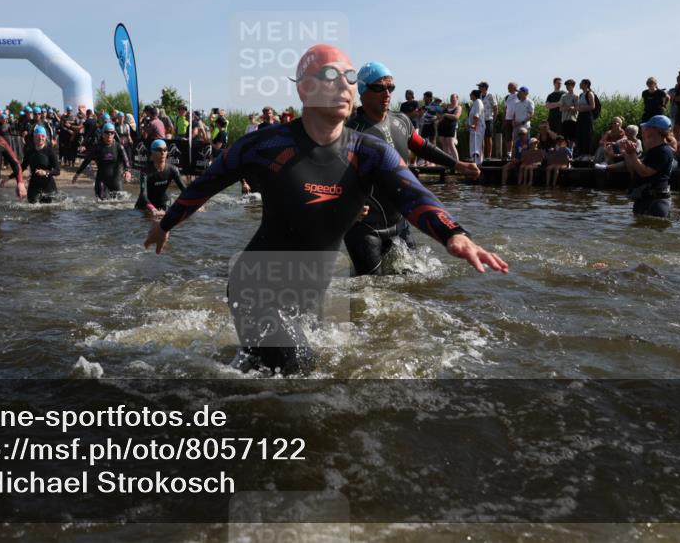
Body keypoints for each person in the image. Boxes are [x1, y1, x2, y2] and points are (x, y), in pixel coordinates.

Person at [144, 44, 507, 375]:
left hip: (311, 293)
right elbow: (205, 185)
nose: (345, 85)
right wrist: (167, 224)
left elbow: (413, 195)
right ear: (304, 88)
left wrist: (454, 234)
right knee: (303, 372)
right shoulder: (265, 145)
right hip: (255, 285)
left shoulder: (370, 151)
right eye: (331, 76)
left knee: (277, 370)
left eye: (350, 77)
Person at [345, 62, 481, 276]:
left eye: (391, 87)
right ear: (362, 91)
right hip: (364, 228)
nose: (387, 93)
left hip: (400, 222)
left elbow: (422, 147)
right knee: (369, 291)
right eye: (379, 87)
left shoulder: (401, 122)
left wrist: (457, 164)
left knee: (418, 280)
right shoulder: (349, 130)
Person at [621, 115, 676, 218]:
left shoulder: (664, 151)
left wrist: (633, 154)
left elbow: (645, 172)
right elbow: (634, 171)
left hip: (656, 203)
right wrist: (627, 153)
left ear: (655, 130)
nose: (645, 129)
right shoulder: (652, 150)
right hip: (644, 198)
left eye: (648, 127)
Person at [73, 122, 132, 199]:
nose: (109, 135)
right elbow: (87, 160)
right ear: (103, 134)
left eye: (112, 133)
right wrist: (77, 173)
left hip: (116, 180)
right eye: (107, 133)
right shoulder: (97, 147)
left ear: (114, 134)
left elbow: (126, 160)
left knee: (120, 204)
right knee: (101, 204)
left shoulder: (119, 147)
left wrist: (127, 171)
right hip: (102, 181)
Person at [136, 139, 186, 218]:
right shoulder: (145, 172)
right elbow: (143, 195)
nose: (162, 153)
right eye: (159, 150)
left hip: (163, 203)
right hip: (146, 205)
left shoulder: (173, 169)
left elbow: (185, 190)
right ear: (152, 152)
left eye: (165, 150)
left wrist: (195, 205)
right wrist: (152, 209)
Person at [20, 125, 61, 203]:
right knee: (32, 209)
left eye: (43, 136)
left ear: (45, 137)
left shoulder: (50, 152)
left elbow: (57, 171)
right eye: (38, 136)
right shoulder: (29, 152)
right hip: (34, 185)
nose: (40, 138)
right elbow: (22, 167)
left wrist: (45, 172)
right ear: (34, 137)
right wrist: (9, 177)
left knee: (49, 210)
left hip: (48, 186)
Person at [437, 93, 461, 161]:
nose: (452, 100)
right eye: (451, 98)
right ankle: (447, 162)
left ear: (457, 99)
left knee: (451, 144)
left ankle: (457, 162)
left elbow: (456, 117)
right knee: (444, 145)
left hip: (450, 127)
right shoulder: (446, 106)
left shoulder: (458, 107)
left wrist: (445, 115)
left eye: (453, 99)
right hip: (442, 127)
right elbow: (440, 114)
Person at [478, 82, 497, 159]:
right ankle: (482, 154)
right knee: (481, 137)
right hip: (480, 119)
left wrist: (494, 118)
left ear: (485, 87)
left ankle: (489, 155)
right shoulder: (478, 96)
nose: (479, 88)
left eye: (480, 86)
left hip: (488, 119)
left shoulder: (491, 95)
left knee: (488, 137)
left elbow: (495, 108)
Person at [502, 82, 519, 160]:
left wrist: (517, 90)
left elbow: (525, 96)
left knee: (516, 136)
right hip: (508, 119)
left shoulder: (519, 95)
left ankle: (517, 153)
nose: (508, 88)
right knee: (508, 137)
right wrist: (504, 119)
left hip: (516, 119)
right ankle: (509, 153)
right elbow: (505, 108)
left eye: (510, 86)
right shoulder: (507, 97)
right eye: (508, 86)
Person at [468, 89, 485, 164]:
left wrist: (474, 124)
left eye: (471, 94)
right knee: (474, 145)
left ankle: (477, 164)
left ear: (474, 95)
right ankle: (475, 162)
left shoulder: (478, 101)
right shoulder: (474, 103)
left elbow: (477, 114)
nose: (470, 95)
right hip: (473, 127)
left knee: (476, 145)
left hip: (477, 127)